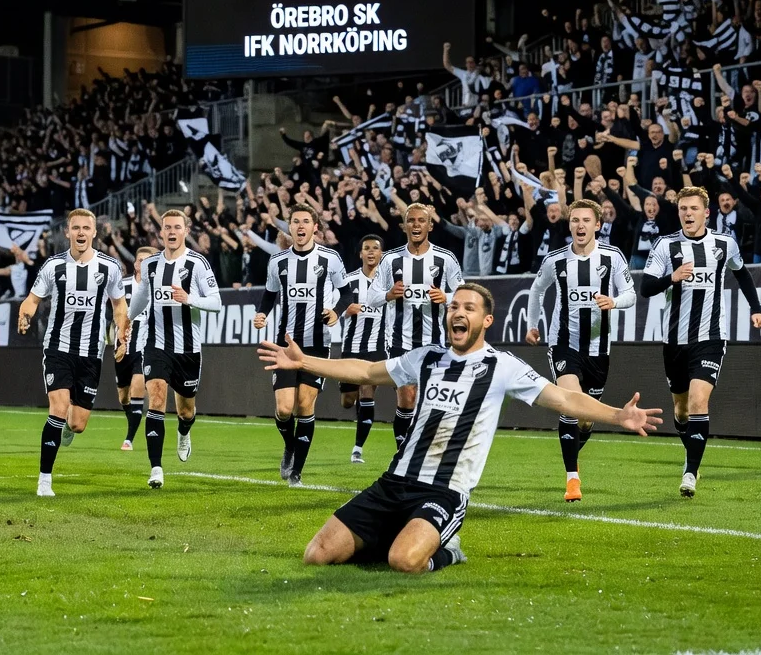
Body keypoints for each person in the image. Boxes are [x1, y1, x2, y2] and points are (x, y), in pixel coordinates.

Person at [257, 284, 661, 574]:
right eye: (453, 306)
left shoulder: (502, 366)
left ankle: (448, 550)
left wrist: (618, 416)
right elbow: (366, 370)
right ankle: (397, 530)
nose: (458, 312)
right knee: (317, 555)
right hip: (393, 482)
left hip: (444, 490)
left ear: (486, 319)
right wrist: (304, 362)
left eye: (468, 307)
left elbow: (565, 399)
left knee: (405, 561)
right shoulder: (428, 357)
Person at [640, 187, 761, 498]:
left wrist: (756, 308)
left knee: (698, 401)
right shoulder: (665, 246)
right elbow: (645, 287)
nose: (688, 214)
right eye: (683, 209)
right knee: (681, 411)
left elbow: (743, 274)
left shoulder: (724, 244)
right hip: (674, 340)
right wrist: (673, 277)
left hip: (711, 337)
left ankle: (690, 472)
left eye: (694, 208)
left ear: (706, 212)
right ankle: (692, 451)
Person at [524, 199, 636, 502]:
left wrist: (614, 302)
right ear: (569, 224)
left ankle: (573, 448)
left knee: (586, 418)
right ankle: (572, 479)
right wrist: (533, 324)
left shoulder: (612, 257)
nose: (580, 226)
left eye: (586, 220)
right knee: (570, 403)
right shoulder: (556, 260)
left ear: (597, 225)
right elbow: (537, 290)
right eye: (575, 220)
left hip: (599, 348)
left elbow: (630, 294)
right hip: (564, 343)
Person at [17, 209, 129, 497]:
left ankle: (67, 429)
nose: (80, 233)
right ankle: (44, 480)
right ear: (67, 232)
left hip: (91, 352)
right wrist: (25, 315)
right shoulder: (53, 266)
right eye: (75, 228)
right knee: (57, 407)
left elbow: (119, 305)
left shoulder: (110, 267)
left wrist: (122, 337)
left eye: (86, 228)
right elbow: (32, 299)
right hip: (58, 348)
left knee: (77, 424)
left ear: (94, 233)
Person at [252, 205, 350, 485]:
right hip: (286, 345)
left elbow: (346, 293)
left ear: (315, 227)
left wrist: (336, 312)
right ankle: (290, 446)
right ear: (290, 228)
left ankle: (296, 472)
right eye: (295, 222)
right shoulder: (278, 262)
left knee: (305, 405)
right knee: (284, 409)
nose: (301, 226)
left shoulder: (330, 258)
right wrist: (262, 315)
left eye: (306, 221)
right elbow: (269, 296)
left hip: (317, 346)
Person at [127, 209, 224, 489]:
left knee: (186, 410)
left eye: (176, 227)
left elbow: (216, 302)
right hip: (156, 343)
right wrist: (127, 321)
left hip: (188, 349)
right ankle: (156, 468)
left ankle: (184, 432)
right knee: (156, 399)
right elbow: (142, 297)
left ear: (185, 231)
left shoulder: (198, 264)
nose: (171, 232)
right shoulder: (151, 265)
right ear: (161, 232)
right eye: (166, 227)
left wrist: (189, 298)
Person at [363, 203, 464, 451]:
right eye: (411, 221)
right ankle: (402, 452)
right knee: (407, 397)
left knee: (429, 400)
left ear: (430, 225)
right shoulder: (390, 260)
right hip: (400, 340)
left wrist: (446, 297)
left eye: (422, 220)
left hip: (435, 340)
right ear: (404, 226)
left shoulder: (445, 259)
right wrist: (388, 294)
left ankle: (426, 450)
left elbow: (464, 294)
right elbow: (371, 297)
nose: (416, 225)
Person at [338, 235, 385, 464]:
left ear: (381, 254)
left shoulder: (389, 284)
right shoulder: (348, 281)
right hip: (351, 347)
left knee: (367, 391)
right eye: (366, 248)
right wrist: (345, 311)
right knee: (348, 400)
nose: (371, 252)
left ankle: (357, 449)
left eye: (375, 248)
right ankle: (355, 403)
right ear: (360, 254)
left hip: (377, 347)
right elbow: (332, 312)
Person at [115, 247, 156, 451]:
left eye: (147, 261)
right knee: (123, 396)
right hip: (122, 346)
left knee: (137, 386)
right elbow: (114, 313)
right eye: (140, 260)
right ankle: (132, 418)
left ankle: (129, 438)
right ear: (135, 264)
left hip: (144, 346)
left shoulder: (156, 289)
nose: (142, 264)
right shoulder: (122, 286)